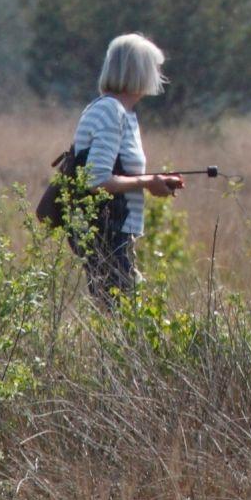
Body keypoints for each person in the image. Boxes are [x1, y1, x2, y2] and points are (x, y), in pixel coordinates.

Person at [68, 33, 183, 300]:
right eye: (153, 67)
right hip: (107, 230)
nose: (158, 75)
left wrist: (153, 180)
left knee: (123, 306)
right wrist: (148, 182)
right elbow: (96, 180)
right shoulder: (111, 111)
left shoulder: (122, 112)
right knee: (119, 310)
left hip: (119, 230)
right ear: (138, 71)